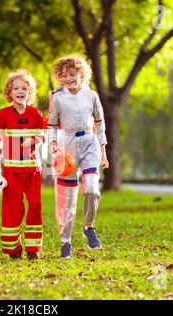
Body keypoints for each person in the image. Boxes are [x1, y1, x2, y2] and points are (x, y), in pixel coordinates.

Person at [47, 55, 109, 259]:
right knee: (67, 199)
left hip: (90, 143)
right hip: (68, 145)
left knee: (91, 188)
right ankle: (65, 241)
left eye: (72, 74)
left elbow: (99, 123)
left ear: (81, 74)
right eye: (63, 75)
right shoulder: (57, 97)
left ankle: (89, 227)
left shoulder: (92, 96)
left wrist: (104, 151)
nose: (68, 78)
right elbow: (52, 125)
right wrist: (53, 145)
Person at [0, 69, 46, 260]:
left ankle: (33, 249)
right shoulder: (3, 114)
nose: (20, 91)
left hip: (32, 169)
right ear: (9, 92)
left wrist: (36, 141)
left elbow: (42, 134)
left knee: (35, 205)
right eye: (16, 88)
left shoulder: (35, 113)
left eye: (24, 88)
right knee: (12, 208)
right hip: (11, 171)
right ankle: (13, 250)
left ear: (29, 93)